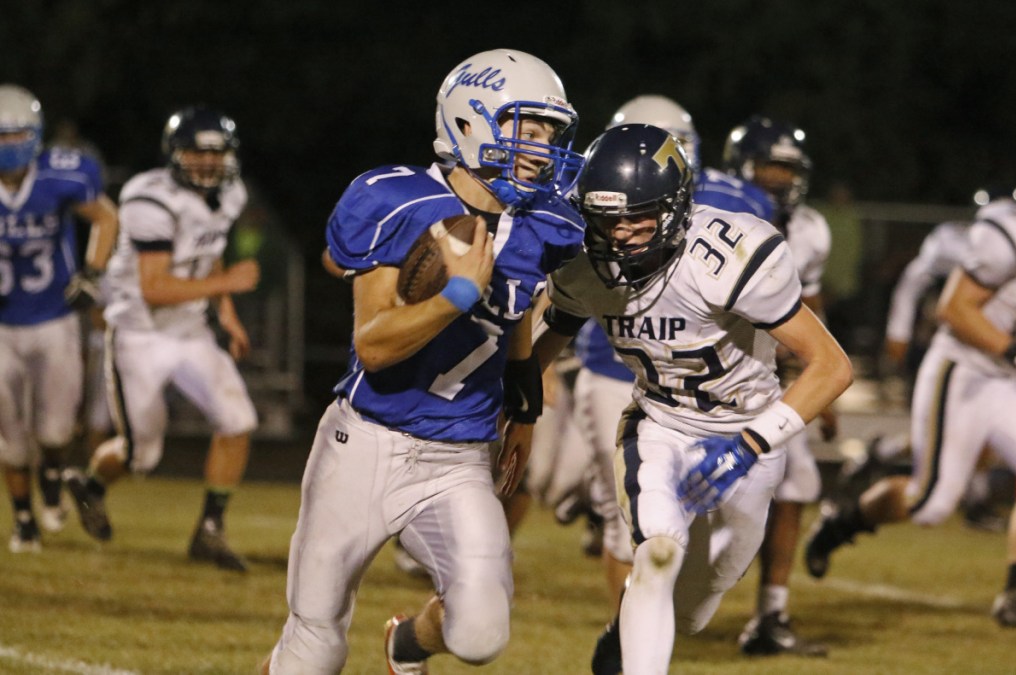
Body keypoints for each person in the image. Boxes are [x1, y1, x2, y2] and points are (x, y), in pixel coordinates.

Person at [262, 48, 586, 674]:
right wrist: (456, 295)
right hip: (364, 443)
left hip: (458, 459)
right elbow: (374, 346)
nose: (543, 148)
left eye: (551, 133)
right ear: (471, 122)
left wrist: (524, 396)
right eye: (528, 128)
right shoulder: (398, 199)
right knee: (315, 635)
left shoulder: (549, 223)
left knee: (481, 631)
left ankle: (409, 641)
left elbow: (525, 313)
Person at [532, 123, 851, 675]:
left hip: (749, 430)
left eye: (638, 216)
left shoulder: (728, 255)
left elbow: (833, 365)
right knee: (656, 553)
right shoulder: (584, 266)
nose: (622, 234)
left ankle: (624, 635)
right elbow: (547, 336)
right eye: (608, 218)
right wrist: (508, 395)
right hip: (659, 424)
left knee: (695, 610)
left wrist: (751, 443)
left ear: (676, 207)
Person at [804, 188, 1016, 629]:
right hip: (963, 372)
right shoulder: (1010, 236)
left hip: (1008, 378)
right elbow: (955, 309)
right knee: (930, 504)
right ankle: (840, 525)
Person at [63, 106, 260, 572]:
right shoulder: (147, 199)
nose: (208, 163)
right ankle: (90, 484)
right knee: (142, 454)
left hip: (190, 330)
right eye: (197, 152)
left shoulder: (231, 194)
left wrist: (227, 315)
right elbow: (155, 290)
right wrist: (228, 286)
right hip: (139, 334)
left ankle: (209, 530)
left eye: (217, 153)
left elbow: (207, 254)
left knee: (237, 421)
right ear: (174, 155)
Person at [720, 115, 836, 656]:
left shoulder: (811, 229)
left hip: (772, 379)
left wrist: (821, 376)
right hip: (712, 373)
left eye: (789, 170)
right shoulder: (715, 217)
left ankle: (772, 612)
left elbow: (808, 308)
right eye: (771, 167)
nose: (781, 180)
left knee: (796, 488)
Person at [0, 84, 118, 552]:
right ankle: (24, 521)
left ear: (34, 136)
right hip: (2, 325)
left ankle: (51, 477)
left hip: (54, 318)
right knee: (8, 436)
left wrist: (92, 274)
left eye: (15, 136)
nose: (7, 146)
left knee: (53, 431)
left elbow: (107, 218)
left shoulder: (60, 175)